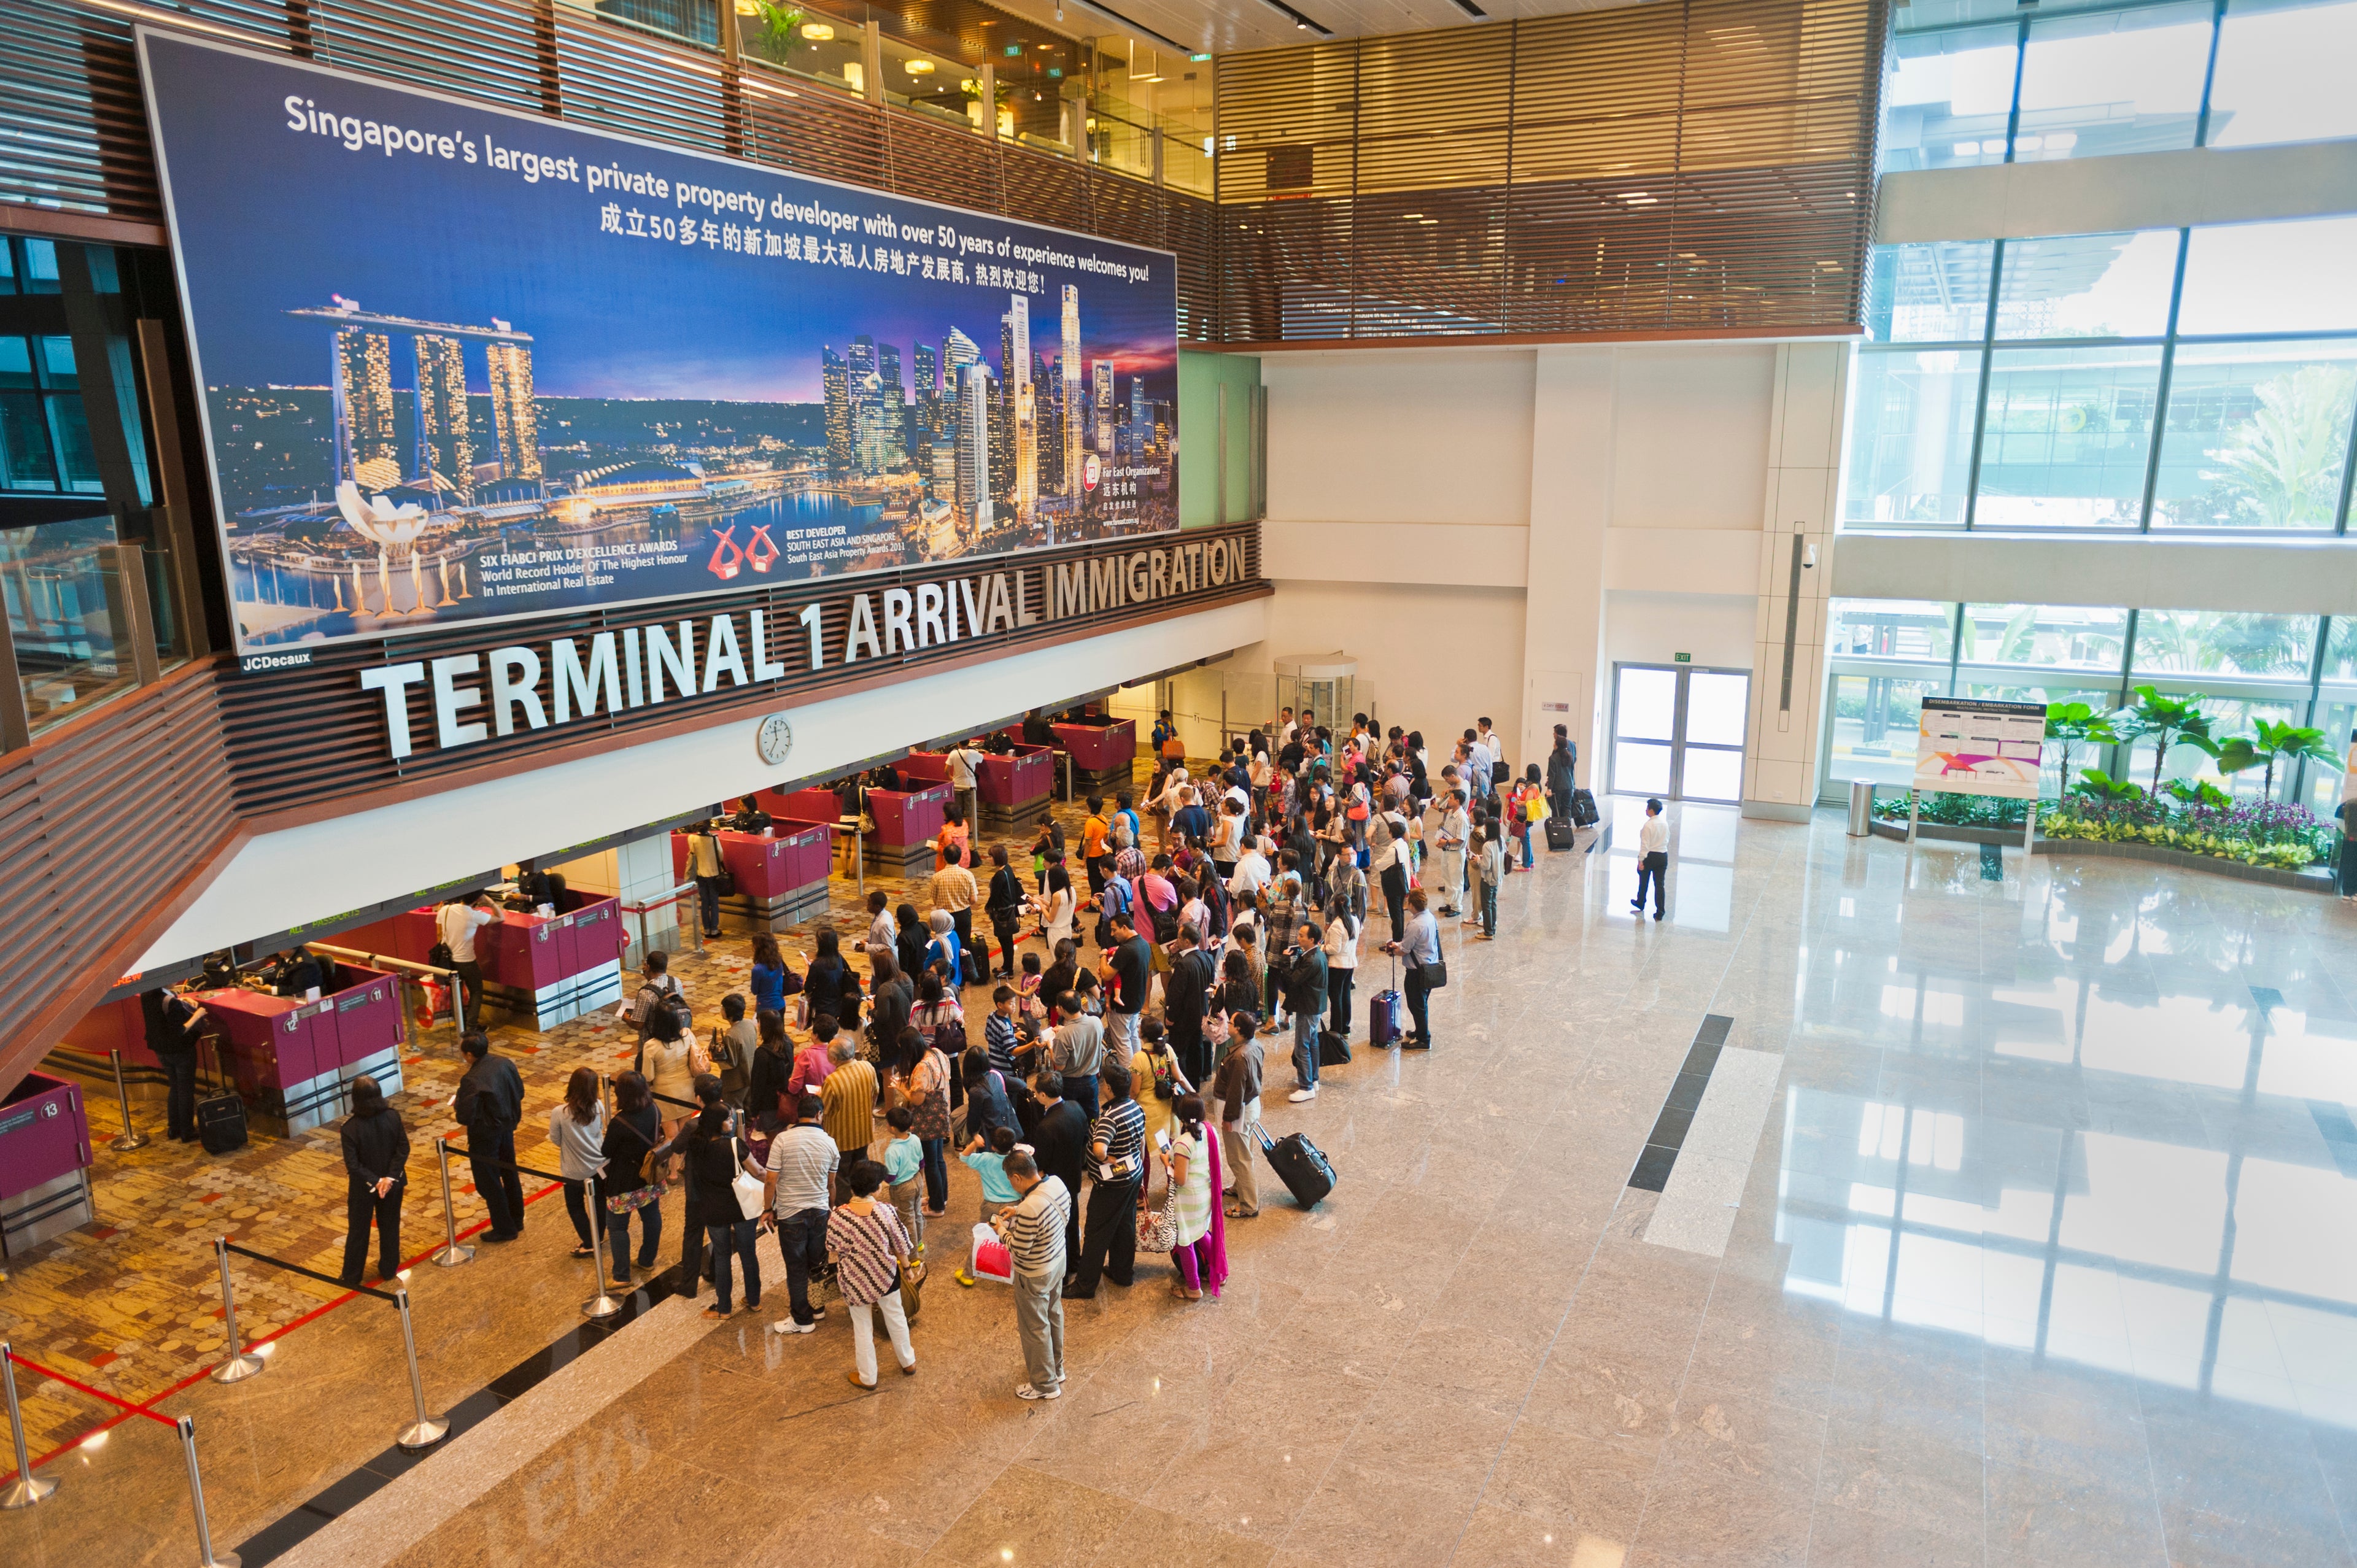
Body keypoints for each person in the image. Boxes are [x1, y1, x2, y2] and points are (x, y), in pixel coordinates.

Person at [832, 1159, 918, 1390]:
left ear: (852, 1187)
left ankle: (868, 1377)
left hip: (854, 1278)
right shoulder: (886, 1211)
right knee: (896, 1317)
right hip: (886, 1275)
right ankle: (908, 1361)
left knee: (862, 1327)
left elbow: (832, 1246)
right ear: (876, 1188)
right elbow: (901, 1244)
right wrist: (908, 1269)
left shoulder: (839, 1215)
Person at [994, 1148, 1071, 1399]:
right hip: (1058, 1262)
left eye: (1009, 1180)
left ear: (1016, 1178)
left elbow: (1020, 1250)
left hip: (1035, 1274)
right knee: (1054, 1314)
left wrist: (1001, 1231)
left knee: (1035, 1328)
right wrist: (1018, 1211)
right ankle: (1057, 1369)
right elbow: (1058, 1217)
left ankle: (1044, 1385)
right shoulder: (1057, 1183)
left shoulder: (1030, 1208)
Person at [1067, 1073, 1145, 1297]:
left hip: (1111, 1184)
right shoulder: (1135, 1107)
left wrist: (1108, 1159)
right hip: (1133, 1174)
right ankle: (1122, 1273)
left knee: (1096, 1233)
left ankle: (1085, 1285)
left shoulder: (1110, 1118)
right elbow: (1140, 1141)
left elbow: (1100, 1149)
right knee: (1125, 1225)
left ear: (1109, 1088)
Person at [765, 1092, 837, 1334]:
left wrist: (768, 1209)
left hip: (790, 1214)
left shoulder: (783, 1140)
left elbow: (770, 1180)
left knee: (796, 1267)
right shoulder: (830, 1142)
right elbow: (831, 1184)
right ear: (819, 1115)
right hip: (819, 1211)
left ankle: (802, 1320)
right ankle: (818, 1307)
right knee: (818, 1262)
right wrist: (831, 1208)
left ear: (799, 1115)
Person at [692, 1102, 764, 1318]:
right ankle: (754, 1300)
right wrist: (774, 1183)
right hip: (740, 1206)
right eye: (729, 1119)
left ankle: (724, 1308)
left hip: (713, 1208)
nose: (733, 1122)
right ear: (718, 1123)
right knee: (748, 1253)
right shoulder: (734, 1145)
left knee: (722, 1256)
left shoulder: (696, 1145)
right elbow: (758, 1171)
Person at [338, 1073, 408, 1286]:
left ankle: (352, 1276)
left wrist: (377, 1181)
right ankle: (388, 1269)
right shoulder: (393, 1117)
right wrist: (389, 1178)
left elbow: (353, 1165)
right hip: (393, 1184)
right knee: (390, 1226)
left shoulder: (349, 1128)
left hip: (363, 1188)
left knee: (358, 1230)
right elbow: (403, 1149)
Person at [454, 1031, 525, 1241]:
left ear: (468, 1055)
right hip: (507, 1127)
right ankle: (517, 1219)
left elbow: (465, 1116)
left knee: (488, 1181)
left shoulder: (471, 1079)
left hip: (485, 1136)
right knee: (509, 1172)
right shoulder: (505, 1063)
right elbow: (519, 1091)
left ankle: (504, 1228)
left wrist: (458, 1103)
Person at [600, 1070, 664, 1284]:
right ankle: (647, 1260)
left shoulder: (620, 1123)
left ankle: (621, 1276)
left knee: (618, 1227)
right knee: (652, 1216)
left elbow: (606, 1151)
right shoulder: (654, 1109)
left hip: (623, 1182)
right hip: (649, 1176)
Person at [1162, 1094, 1226, 1300]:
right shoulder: (1210, 1131)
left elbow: (1180, 1179)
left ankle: (1193, 1288)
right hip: (1206, 1194)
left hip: (1189, 1200)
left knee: (1184, 1242)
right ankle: (1220, 1272)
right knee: (1200, 1233)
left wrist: (1166, 1161)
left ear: (1181, 1115)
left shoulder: (1182, 1143)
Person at [1026, 1070, 1090, 1266]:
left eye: (1036, 1092)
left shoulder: (1047, 1126)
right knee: (1072, 1220)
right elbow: (1085, 1139)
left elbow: (1041, 1163)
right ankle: (1074, 1261)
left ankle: (1064, 1267)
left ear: (1043, 1095)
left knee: (1059, 1227)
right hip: (1074, 1176)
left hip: (1056, 1182)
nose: (1035, 1095)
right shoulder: (1075, 1107)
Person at [546, 1066, 608, 1259]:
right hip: (600, 1165)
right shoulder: (598, 1106)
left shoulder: (560, 1112)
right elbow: (599, 1131)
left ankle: (589, 1243)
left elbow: (556, 1139)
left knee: (575, 1206)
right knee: (599, 1202)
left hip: (574, 1170)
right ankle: (598, 1237)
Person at [897, 1025, 954, 1215]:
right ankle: (941, 1197)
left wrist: (902, 1089)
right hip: (940, 1112)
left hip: (927, 1119)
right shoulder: (937, 1053)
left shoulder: (921, 1067)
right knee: (939, 1159)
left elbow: (917, 1100)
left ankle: (937, 1207)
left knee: (930, 1162)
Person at [1213, 1014, 1263, 1219]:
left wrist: (1229, 1118)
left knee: (1239, 1159)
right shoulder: (1255, 1045)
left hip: (1239, 1112)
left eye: (1231, 1023)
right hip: (1251, 1106)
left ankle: (1249, 1205)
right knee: (1245, 1150)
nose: (1228, 1025)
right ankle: (1238, 1186)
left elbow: (1236, 1091)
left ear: (1239, 1030)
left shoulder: (1238, 1057)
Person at [145, 986, 207, 1143]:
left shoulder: (146, 994)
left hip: (161, 1051)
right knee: (186, 1091)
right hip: (181, 1051)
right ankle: (187, 1131)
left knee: (175, 1087)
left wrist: (180, 1002)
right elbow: (181, 1030)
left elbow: (163, 1017)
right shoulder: (170, 1002)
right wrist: (198, 1014)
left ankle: (174, 1129)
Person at [1387, 888, 1441, 1050]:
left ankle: (1424, 1039)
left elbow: (1405, 950)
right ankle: (1420, 1030)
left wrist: (1393, 950)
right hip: (1429, 966)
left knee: (1416, 1004)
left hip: (1416, 972)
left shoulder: (1415, 924)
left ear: (1412, 905)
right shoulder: (1429, 917)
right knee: (1421, 1002)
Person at [821, 1036, 878, 1184]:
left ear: (834, 1059)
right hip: (864, 1131)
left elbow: (824, 1110)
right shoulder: (868, 1067)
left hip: (841, 1138)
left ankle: (845, 1204)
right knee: (861, 1167)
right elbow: (875, 1093)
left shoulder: (832, 1081)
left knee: (841, 1175)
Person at [1281, 922, 1328, 1103]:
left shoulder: (1311, 960)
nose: (1298, 939)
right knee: (1312, 1042)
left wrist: (1286, 962)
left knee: (1302, 1046)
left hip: (1308, 1006)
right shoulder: (1317, 954)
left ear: (1312, 940)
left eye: (1302, 936)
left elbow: (1294, 980)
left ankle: (1306, 1086)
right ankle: (1313, 1079)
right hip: (1314, 1005)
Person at [437, 892, 497, 1030]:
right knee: (476, 991)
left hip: (448, 960)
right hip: (467, 961)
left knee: (455, 991)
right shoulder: (475, 915)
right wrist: (490, 903)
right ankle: (472, 1026)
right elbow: (500, 917)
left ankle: (460, 1024)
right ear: (478, 899)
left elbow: (439, 935)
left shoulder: (445, 910)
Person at [1048, 997, 1107, 1126]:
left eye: (1058, 1006)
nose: (1056, 1008)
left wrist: (1051, 1047)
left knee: (1072, 1120)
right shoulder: (1096, 1022)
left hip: (1070, 1083)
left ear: (1063, 1009)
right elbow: (1083, 1032)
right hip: (1092, 1080)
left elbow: (1060, 1066)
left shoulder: (1063, 1036)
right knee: (1093, 1117)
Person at [640, 1006, 700, 1124]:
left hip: (664, 1094)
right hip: (687, 1089)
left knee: (671, 1136)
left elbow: (648, 1076)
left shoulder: (651, 1046)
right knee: (684, 1132)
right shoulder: (687, 1034)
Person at [1105, 910, 1151, 1059]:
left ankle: (1129, 1078)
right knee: (1133, 1036)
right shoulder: (1144, 943)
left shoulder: (1126, 950)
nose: (1112, 934)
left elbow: (1106, 974)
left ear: (1125, 927)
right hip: (1136, 1000)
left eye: (1114, 930)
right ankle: (1139, 1069)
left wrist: (1102, 955)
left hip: (1122, 1004)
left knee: (1122, 1042)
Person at [929, 841, 978, 969]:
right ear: (960, 857)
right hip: (963, 914)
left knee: (946, 946)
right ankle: (964, 973)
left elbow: (935, 900)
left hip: (944, 917)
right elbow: (974, 900)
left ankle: (947, 973)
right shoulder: (968, 875)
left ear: (944, 858)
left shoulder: (937, 877)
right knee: (964, 945)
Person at [802, 928, 861, 1030]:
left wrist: (807, 968)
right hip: (837, 1005)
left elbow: (807, 988)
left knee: (823, 1035)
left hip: (822, 1007)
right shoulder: (839, 958)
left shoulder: (817, 965)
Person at [983, 844, 1026, 980]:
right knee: (1007, 941)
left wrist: (987, 907)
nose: (989, 859)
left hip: (1003, 914)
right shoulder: (1008, 869)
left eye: (991, 857)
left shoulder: (999, 876)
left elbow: (995, 896)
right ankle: (1007, 966)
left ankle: (1009, 969)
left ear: (997, 858)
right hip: (1010, 911)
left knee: (1005, 941)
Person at [1322, 902, 1361, 1040]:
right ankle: (1345, 1028)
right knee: (1345, 996)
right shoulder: (1355, 920)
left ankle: (1335, 1029)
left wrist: (1323, 948)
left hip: (1337, 966)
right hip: (1350, 964)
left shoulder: (1337, 925)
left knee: (1335, 998)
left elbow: (1334, 949)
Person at [629, 950, 685, 1045]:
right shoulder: (676, 982)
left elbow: (639, 1024)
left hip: (651, 1043)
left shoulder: (646, 993)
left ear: (648, 967)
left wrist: (626, 1018)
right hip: (675, 1039)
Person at [747, 1010, 792, 1127]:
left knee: (772, 1139)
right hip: (784, 1100)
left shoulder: (762, 1053)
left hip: (768, 1105)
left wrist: (754, 1109)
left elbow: (758, 1084)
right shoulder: (787, 1043)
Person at [712, 993, 757, 1108]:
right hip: (751, 1073)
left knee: (734, 1110)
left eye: (723, 1008)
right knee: (748, 1108)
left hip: (736, 1082)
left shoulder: (731, 1035)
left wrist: (713, 1058)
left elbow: (731, 1063)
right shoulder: (749, 1024)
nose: (721, 1010)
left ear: (730, 1014)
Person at [1633, 797, 1669, 921]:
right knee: (1660, 885)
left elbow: (1645, 845)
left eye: (1647, 808)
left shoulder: (1648, 826)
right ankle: (1660, 911)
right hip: (1663, 855)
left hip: (1650, 856)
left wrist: (1641, 860)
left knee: (1644, 881)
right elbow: (1667, 839)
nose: (1646, 810)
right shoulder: (1664, 823)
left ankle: (1641, 902)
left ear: (1651, 810)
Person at [686, 827, 726, 940]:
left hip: (700, 874)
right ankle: (714, 930)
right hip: (713, 874)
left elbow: (692, 854)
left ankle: (706, 929)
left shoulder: (692, 838)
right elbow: (721, 855)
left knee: (704, 903)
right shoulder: (714, 839)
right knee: (714, 902)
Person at [946, 737, 986, 838]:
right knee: (970, 810)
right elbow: (982, 758)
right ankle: (970, 832)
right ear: (968, 743)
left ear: (958, 743)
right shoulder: (973, 753)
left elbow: (946, 770)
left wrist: (952, 778)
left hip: (957, 785)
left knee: (958, 810)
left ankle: (959, 830)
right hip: (970, 785)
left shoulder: (953, 754)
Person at [748, 932, 795, 1017]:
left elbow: (754, 991)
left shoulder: (758, 969)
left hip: (765, 1008)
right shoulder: (779, 961)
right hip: (780, 1004)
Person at [1474, 821, 1507, 940]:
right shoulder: (1501, 840)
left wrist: (1478, 860)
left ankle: (1488, 932)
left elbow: (1486, 866)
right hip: (1498, 876)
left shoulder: (1487, 845)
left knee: (1486, 905)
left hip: (1488, 879)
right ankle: (1492, 928)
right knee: (1493, 903)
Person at [1547, 724, 1578, 830]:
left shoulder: (1554, 757)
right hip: (1569, 783)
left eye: (1555, 732)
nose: (1553, 734)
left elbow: (1553, 772)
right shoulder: (1571, 749)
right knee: (1567, 807)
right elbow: (1574, 762)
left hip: (1558, 785)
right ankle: (1567, 828)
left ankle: (1557, 829)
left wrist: (1549, 788)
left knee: (1556, 808)